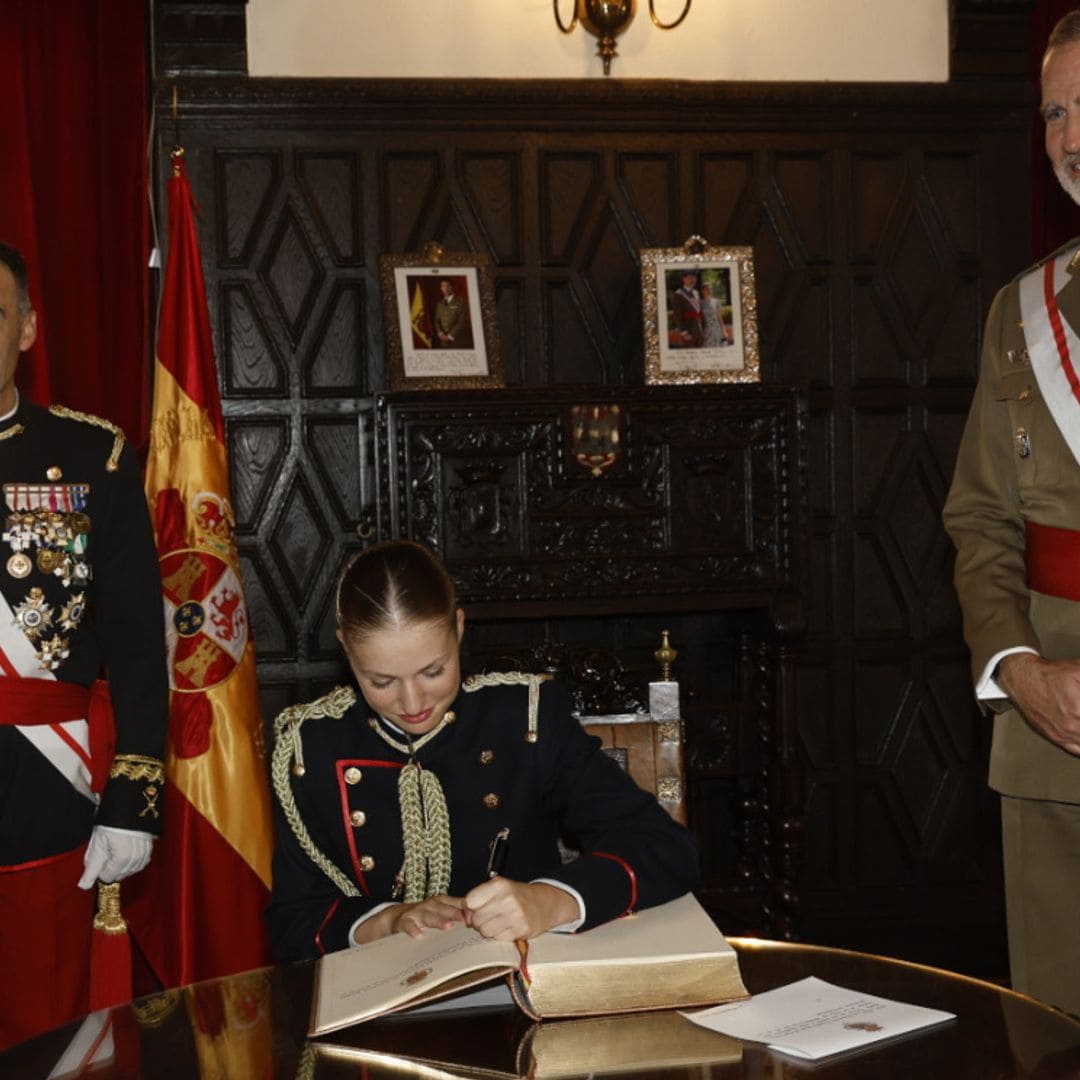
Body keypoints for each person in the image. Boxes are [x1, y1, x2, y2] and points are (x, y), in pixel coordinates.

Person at [266, 539, 700, 960]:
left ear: (458, 627)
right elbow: (292, 923)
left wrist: (549, 902)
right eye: (381, 682)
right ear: (345, 649)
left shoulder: (526, 720)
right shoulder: (311, 746)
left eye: (433, 671)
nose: (414, 704)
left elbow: (664, 848)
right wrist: (387, 922)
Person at [942, 10, 1080, 1017]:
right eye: (1055, 114)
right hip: (1051, 733)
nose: (1071, 138)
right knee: (1055, 1028)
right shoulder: (1017, 312)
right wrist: (1017, 667)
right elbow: (982, 521)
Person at [0, 242, 169, 1047]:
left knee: (51, 1029)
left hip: (48, 791)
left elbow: (138, 640)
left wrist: (133, 799)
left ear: (28, 328)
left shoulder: (92, 457)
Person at [434, 278, 473, 349]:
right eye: (443, 286)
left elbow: (462, 321)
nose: (444, 288)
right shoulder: (439, 304)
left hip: (457, 341)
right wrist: (440, 334)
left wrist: (450, 336)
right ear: (441, 288)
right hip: (442, 342)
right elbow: (437, 320)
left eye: (447, 286)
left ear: (451, 287)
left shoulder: (460, 302)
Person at [670, 271, 704, 347]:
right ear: (684, 279)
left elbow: (699, 311)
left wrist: (704, 328)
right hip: (689, 331)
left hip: (699, 331)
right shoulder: (678, 294)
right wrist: (684, 332)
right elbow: (677, 315)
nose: (693, 280)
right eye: (690, 278)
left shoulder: (696, 292)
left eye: (694, 278)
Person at [700, 282, 731, 347]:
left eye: (710, 289)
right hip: (706, 331)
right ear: (703, 291)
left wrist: (724, 331)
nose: (709, 291)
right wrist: (702, 331)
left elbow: (719, 317)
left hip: (716, 329)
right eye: (707, 289)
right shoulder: (700, 303)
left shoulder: (716, 301)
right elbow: (699, 319)